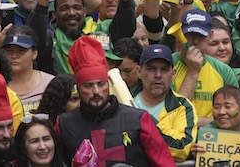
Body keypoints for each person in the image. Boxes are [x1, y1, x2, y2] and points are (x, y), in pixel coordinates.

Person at [56, 35, 175, 167]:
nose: (96, 91)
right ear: (78, 88)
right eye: (88, 85)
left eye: (101, 84)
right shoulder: (64, 125)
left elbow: (165, 163)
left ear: (108, 84)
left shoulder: (138, 119)